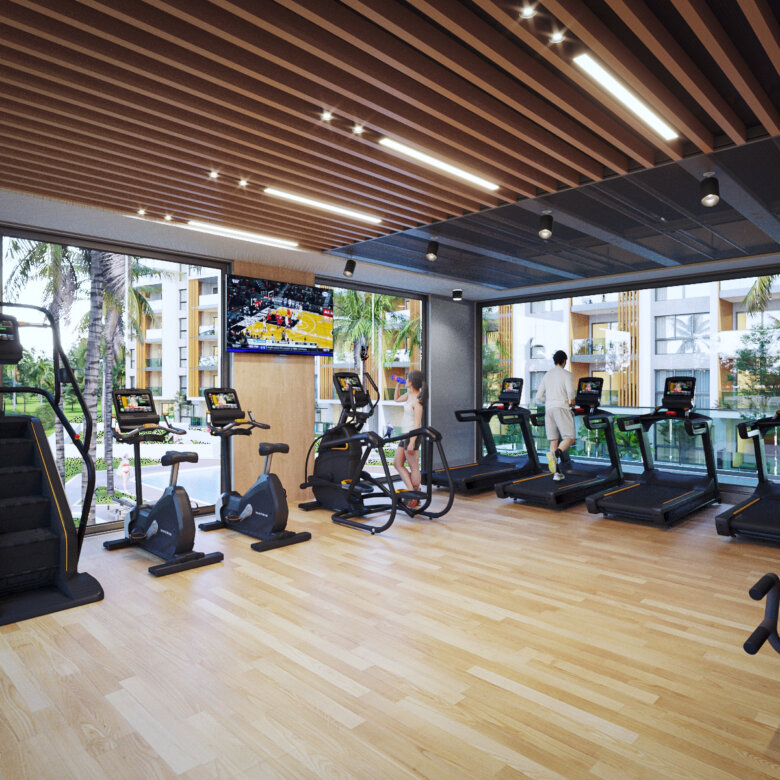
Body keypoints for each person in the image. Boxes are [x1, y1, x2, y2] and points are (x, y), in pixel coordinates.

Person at [535, 350, 575, 481]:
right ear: (564, 361)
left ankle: (556, 474)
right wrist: (572, 403)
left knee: (554, 440)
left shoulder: (547, 375)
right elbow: (571, 393)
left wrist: (549, 401)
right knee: (570, 438)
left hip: (549, 409)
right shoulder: (567, 374)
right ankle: (556, 454)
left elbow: (538, 396)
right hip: (561, 407)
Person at [393, 369, 427, 508]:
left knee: (414, 467)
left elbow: (417, 424)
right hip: (404, 435)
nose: (405, 380)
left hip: (412, 436)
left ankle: (413, 495)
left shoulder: (418, 400)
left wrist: (412, 442)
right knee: (397, 463)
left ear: (411, 382)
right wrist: (398, 384)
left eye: (407, 379)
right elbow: (396, 399)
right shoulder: (409, 395)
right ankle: (413, 492)